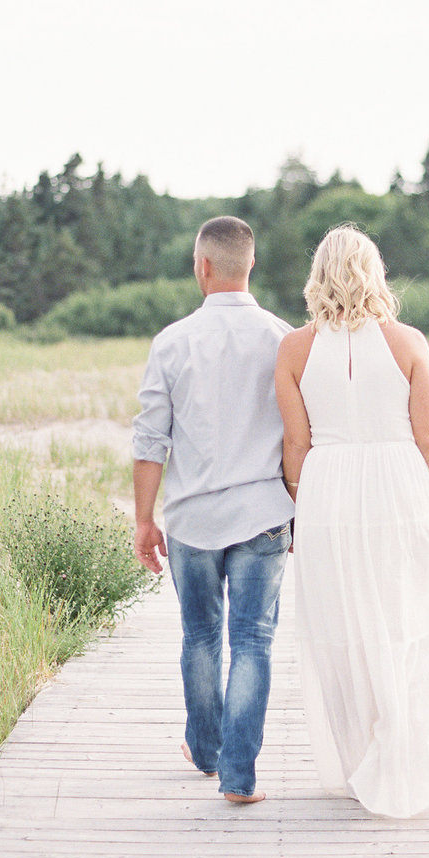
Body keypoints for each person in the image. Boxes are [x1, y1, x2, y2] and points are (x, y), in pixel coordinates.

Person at [275, 226, 429, 818]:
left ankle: (367, 750)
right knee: (410, 613)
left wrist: (298, 509)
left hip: (327, 488)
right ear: (376, 272)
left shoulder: (293, 349)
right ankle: (403, 740)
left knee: (342, 625)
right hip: (399, 485)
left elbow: (297, 442)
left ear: (318, 274)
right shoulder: (408, 341)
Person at [132, 216, 293, 804]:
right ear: (250, 264)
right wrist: (298, 508)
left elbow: (151, 440)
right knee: (253, 640)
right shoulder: (285, 338)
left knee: (201, 635)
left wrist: (144, 519)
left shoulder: (171, 342)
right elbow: (302, 436)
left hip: (193, 518)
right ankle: (238, 775)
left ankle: (205, 750)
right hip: (265, 511)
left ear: (202, 266)